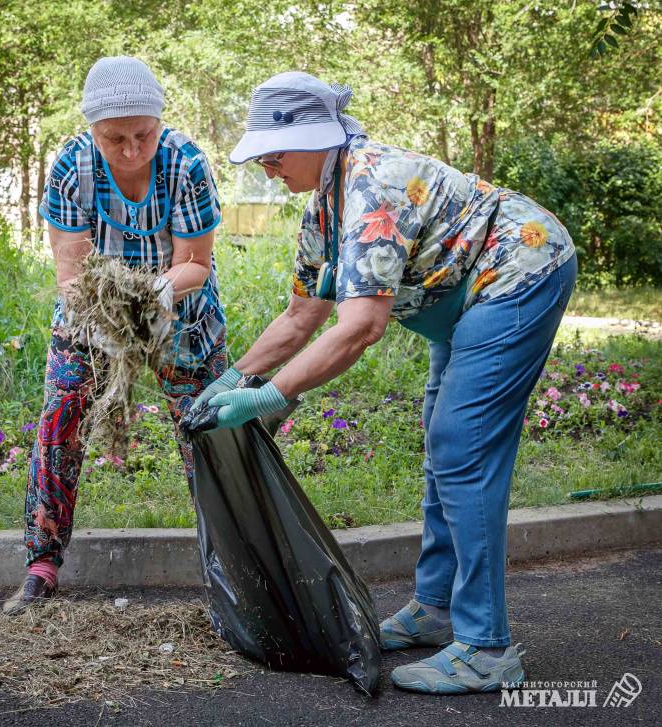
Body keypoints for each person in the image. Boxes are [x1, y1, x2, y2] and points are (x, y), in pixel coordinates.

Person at [191, 71, 577, 695]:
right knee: (442, 445)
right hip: (463, 298)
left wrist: (270, 396)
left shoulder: (373, 187)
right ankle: (436, 609)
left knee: (462, 447)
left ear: (318, 139)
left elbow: (360, 328)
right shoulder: (326, 204)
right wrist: (233, 377)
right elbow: (300, 317)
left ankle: (486, 648)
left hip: (520, 271)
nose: (267, 169)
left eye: (273, 153)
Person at [3, 56, 230, 615]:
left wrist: (151, 297)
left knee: (208, 428)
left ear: (160, 123)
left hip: (179, 310)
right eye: (115, 139)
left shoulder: (185, 164)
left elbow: (195, 263)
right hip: (92, 317)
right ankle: (41, 562)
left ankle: (232, 561)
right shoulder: (71, 169)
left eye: (143, 135)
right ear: (92, 131)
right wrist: (115, 323)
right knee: (62, 419)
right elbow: (73, 276)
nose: (132, 150)